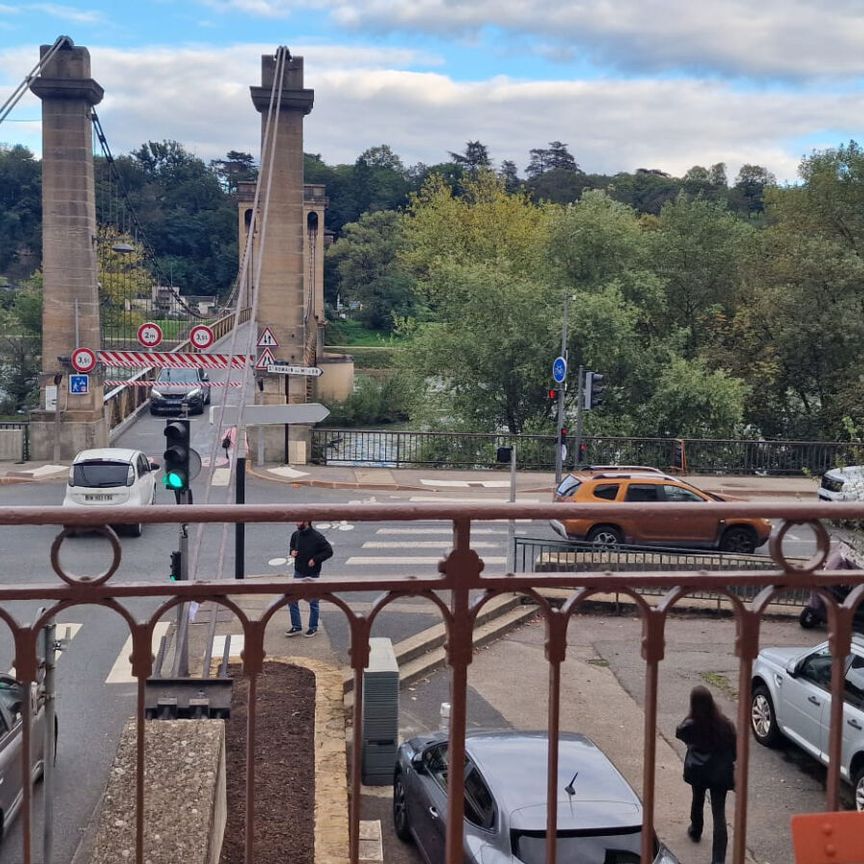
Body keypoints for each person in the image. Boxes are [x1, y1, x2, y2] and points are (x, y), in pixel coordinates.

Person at [676, 685, 737, 864]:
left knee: (698, 798)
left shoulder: (690, 724)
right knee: (719, 815)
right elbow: (735, 752)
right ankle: (718, 861)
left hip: (699, 771)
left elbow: (679, 733)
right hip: (720, 774)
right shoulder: (725, 724)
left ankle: (696, 829)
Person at [285, 521, 333, 638]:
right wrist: (292, 552)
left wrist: (315, 559)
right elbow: (291, 547)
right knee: (291, 598)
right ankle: (296, 626)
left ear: (307, 522)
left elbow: (329, 551)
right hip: (299, 571)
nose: (296, 523)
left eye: (299, 521)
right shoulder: (296, 535)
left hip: (313, 573)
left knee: (313, 601)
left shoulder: (317, 537)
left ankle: (313, 627)